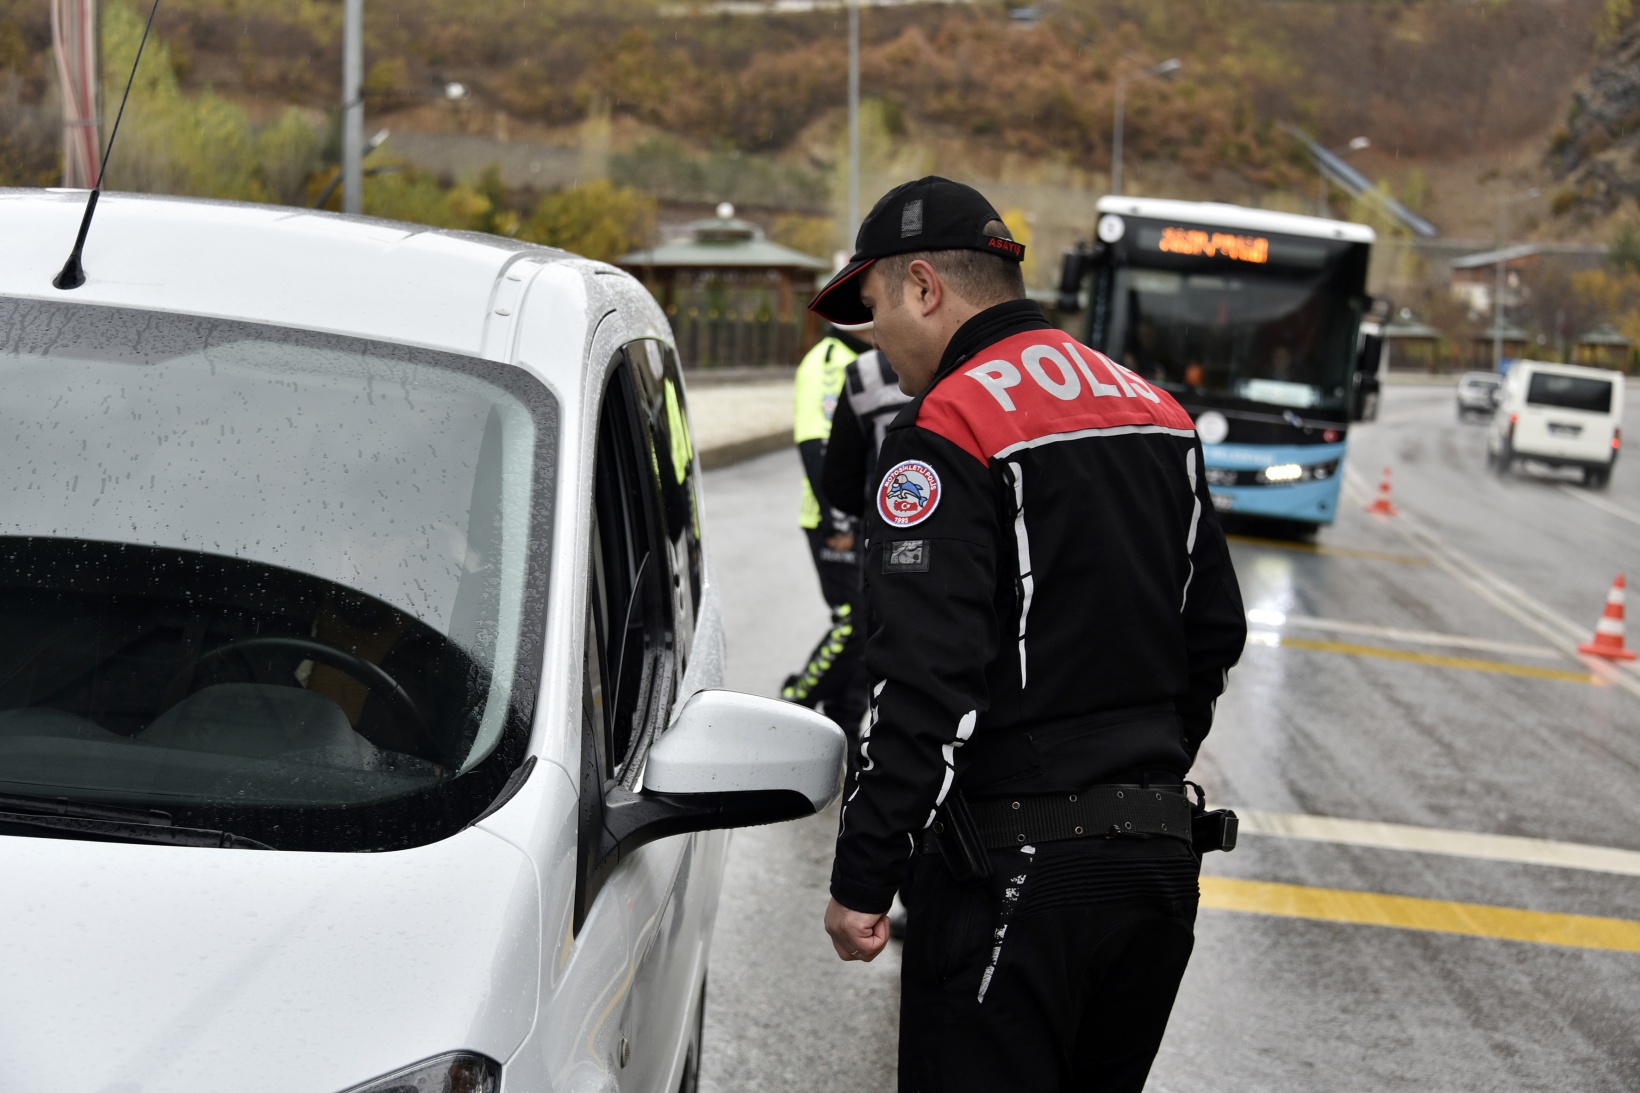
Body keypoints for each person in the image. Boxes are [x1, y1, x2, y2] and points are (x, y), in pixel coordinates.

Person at [813, 176, 1247, 1093]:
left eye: (876, 306)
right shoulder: (1154, 410)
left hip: (1011, 883)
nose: (874, 340)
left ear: (925, 286)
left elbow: (922, 681)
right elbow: (1212, 633)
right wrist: (1132, 768)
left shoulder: (948, 428)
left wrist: (864, 873)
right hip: (1158, 875)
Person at [780, 320, 874, 736]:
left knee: (869, 624)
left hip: (868, 519)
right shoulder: (827, 361)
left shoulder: (871, 359)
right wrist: (838, 518)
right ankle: (796, 702)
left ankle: (846, 724)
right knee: (851, 621)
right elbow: (815, 446)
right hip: (833, 520)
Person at [822, 345, 913, 520]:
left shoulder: (865, 371)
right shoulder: (977, 365)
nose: (875, 341)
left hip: (884, 524)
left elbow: (840, 483)